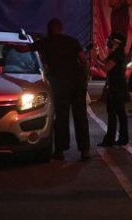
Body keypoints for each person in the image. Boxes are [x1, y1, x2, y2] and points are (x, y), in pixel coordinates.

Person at [9, 18, 91, 161]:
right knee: (81, 117)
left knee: (61, 118)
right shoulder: (72, 41)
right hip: (77, 83)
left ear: (49, 29)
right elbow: (83, 59)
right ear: (61, 28)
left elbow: (24, 49)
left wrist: (10, 46)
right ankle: (84, 150)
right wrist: (84, 78)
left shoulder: (46, 42)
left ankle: (60, 151)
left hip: (60, 84)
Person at [98, 31, 129, 147]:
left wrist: (96, 61)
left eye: (111, 40)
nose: (109, 41)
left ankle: (111, 139)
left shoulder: (118, 54)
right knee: (120, 113)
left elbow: (107, 67)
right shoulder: (116, 53)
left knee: (113, 113)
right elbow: (106, 62)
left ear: (117, 42)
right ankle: (122, 138)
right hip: (117, 86)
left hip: (117, 88)